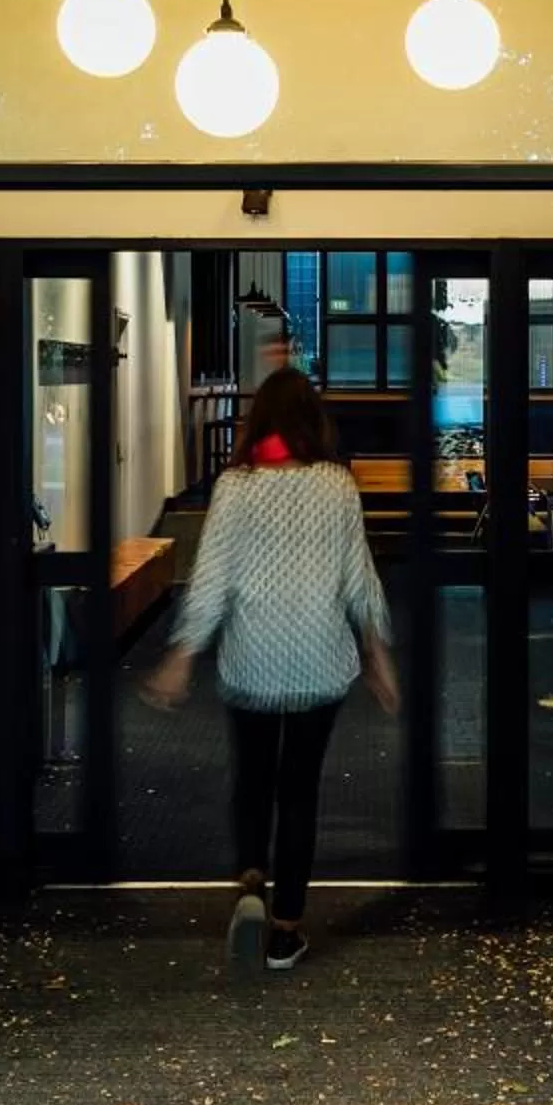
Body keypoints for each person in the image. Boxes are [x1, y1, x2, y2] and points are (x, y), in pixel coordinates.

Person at [141, 368, 397, 973]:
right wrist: (377, 655)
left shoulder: (234, 487)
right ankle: (285, 931)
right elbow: (359, 578)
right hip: (318, 659)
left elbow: (211, 580)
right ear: (315, 422)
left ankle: (252, 884)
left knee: (253, 779)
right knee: (300, 789)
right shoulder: (337, 485)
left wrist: (182, 655)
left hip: (251, 660)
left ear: (260, 421)